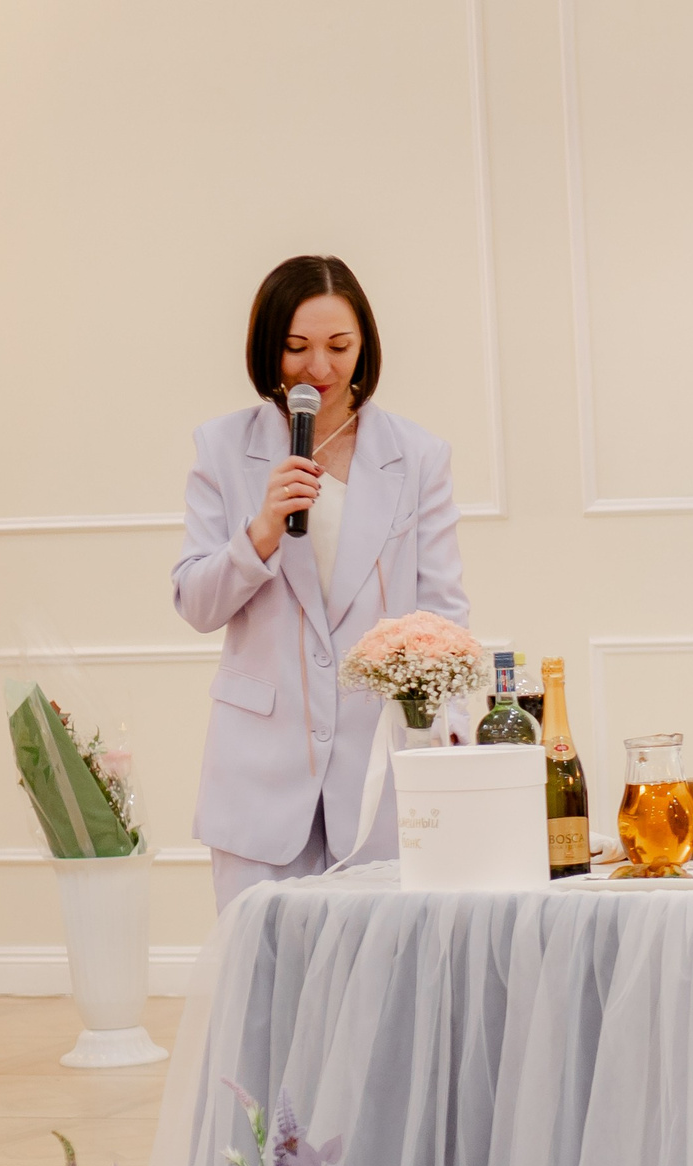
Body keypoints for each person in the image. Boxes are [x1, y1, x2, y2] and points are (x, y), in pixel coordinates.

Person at [172, 256, 471, 910]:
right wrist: (261, 533)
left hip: (377, 781)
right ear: (268, 346)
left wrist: (446, 754)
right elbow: (195, 602)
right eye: (297, 348)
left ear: (364, 346)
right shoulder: (223, 448)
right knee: (262, 996)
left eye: (339, 347)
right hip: (258, 782)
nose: (320, 369)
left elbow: (444, 617)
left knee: (379, 995)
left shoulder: (417, 456)